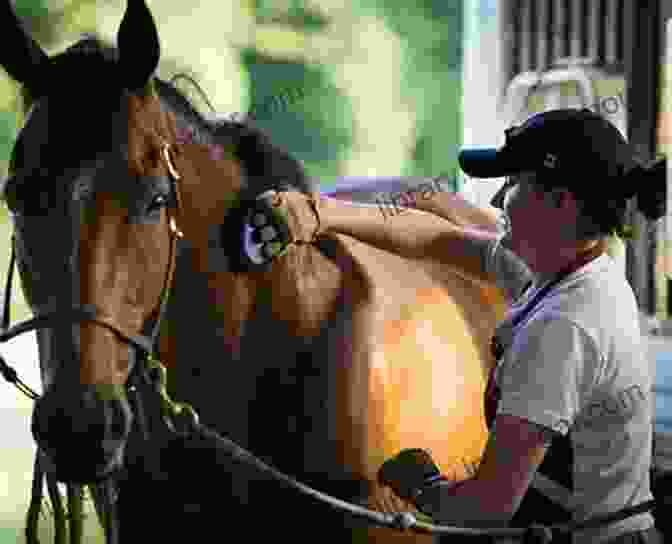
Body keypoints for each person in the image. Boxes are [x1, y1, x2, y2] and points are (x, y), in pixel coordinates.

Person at [246, 108, 666, 544]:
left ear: (560, 201)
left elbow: (483, 511)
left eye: (512, 184)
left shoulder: (562, 328)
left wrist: (421, 484)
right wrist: (317, 213)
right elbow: (434, 238)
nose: (497, 200)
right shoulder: (575, 269)